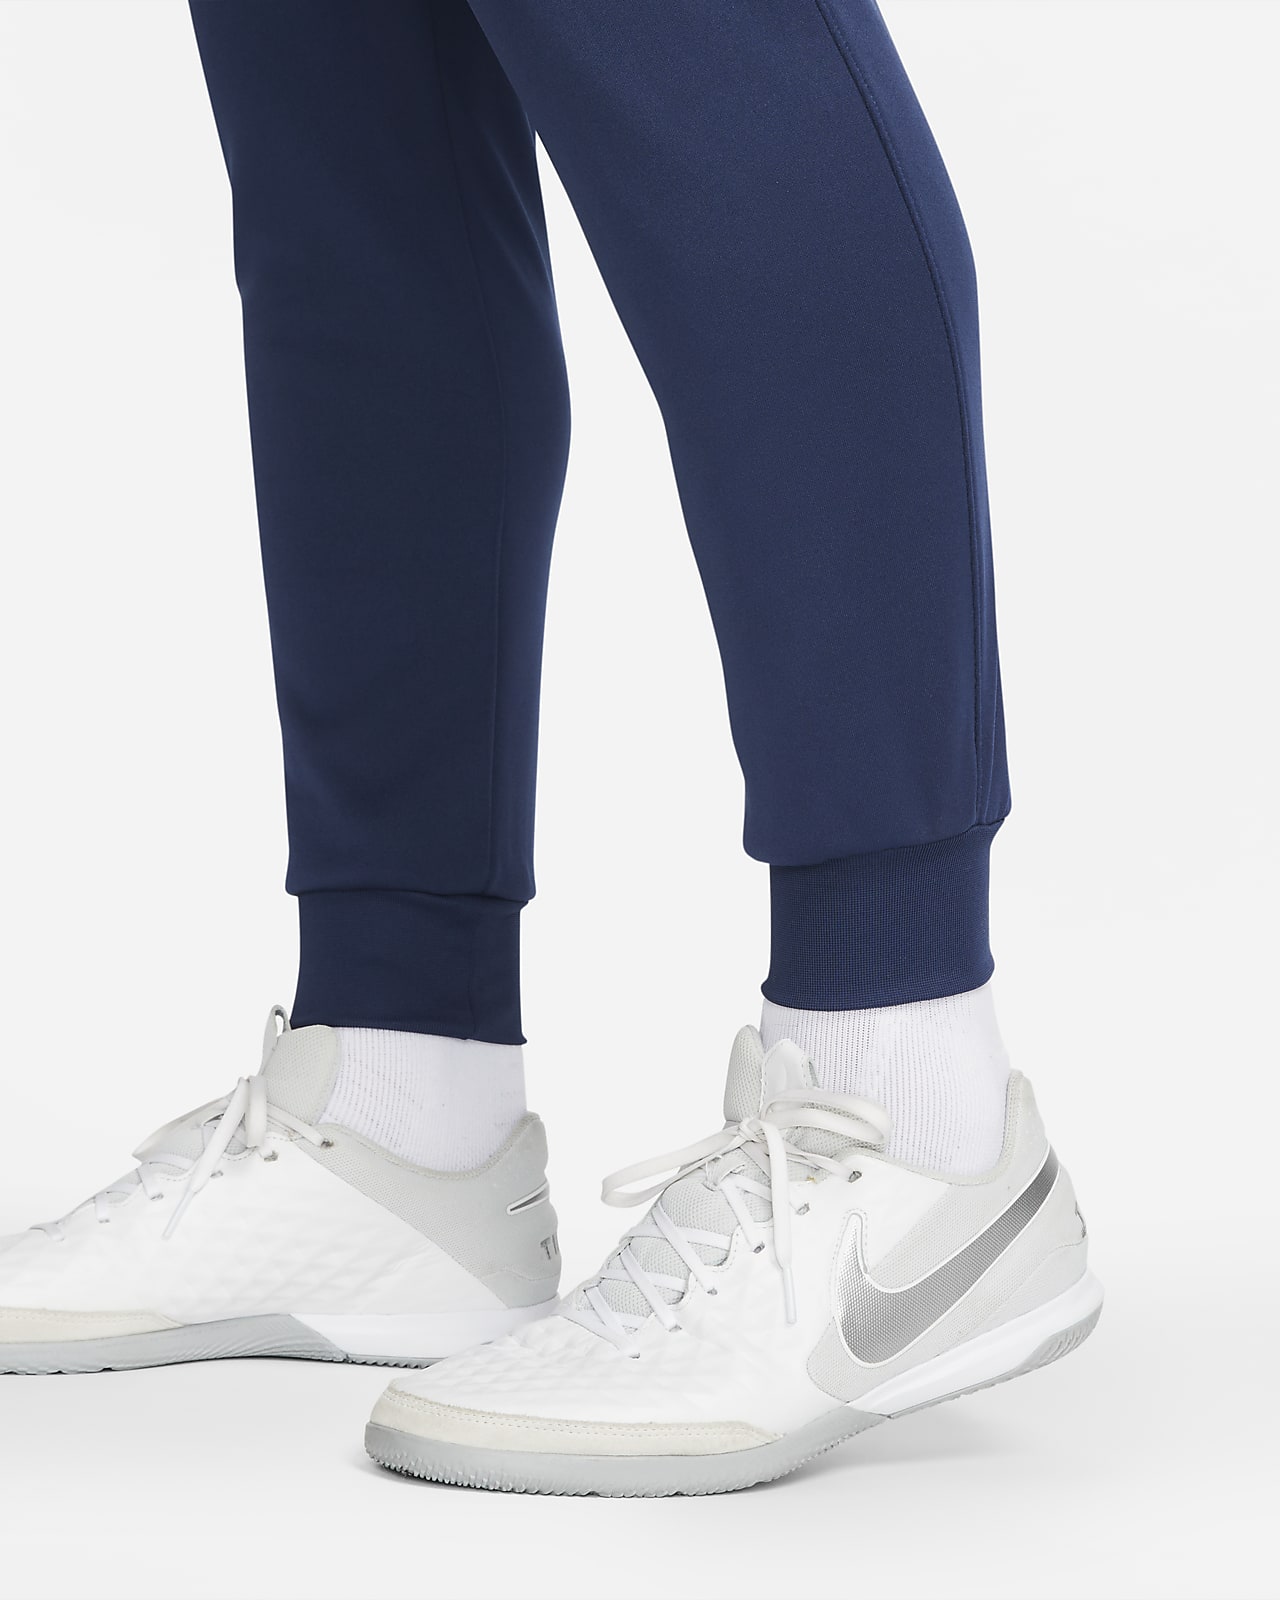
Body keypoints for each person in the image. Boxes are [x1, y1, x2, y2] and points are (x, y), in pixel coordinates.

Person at [0, 0, 1100, 1495]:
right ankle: (402, 1106)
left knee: (701, 47)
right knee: (342, 120)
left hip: (913, 1110)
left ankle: (911, 1107)